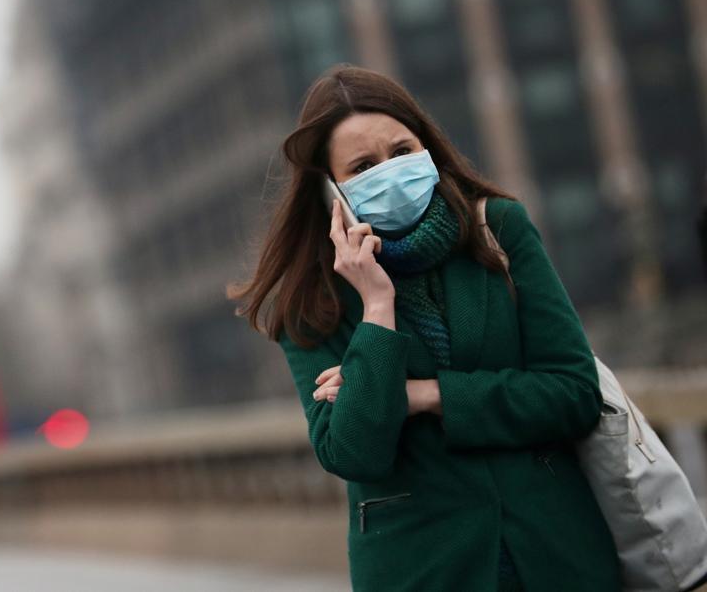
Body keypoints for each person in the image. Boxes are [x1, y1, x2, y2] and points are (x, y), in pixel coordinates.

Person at [227, 65, 620, 591]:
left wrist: (425, 395)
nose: (391, 171)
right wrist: (376, 306)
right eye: (364, 165)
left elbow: (573, 393)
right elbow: (352, 452)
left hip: (554, 557)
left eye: (402, 151)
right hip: (421, 570)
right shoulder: (310, 298)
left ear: (427, 147)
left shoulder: (498, 229)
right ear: (332, 192)